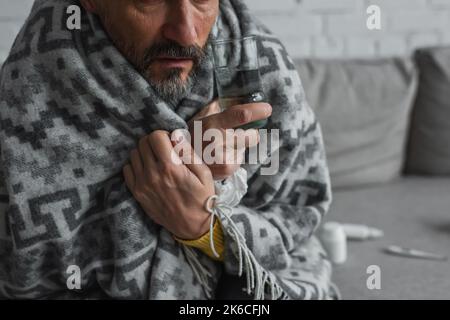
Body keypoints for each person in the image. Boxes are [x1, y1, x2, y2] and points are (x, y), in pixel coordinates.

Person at [0, 0, 336, 299]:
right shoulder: (35, 79)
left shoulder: (260, 66)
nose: (186, 33)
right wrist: (175, 176)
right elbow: (26, 268)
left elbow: (298, 214)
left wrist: (206, 224)